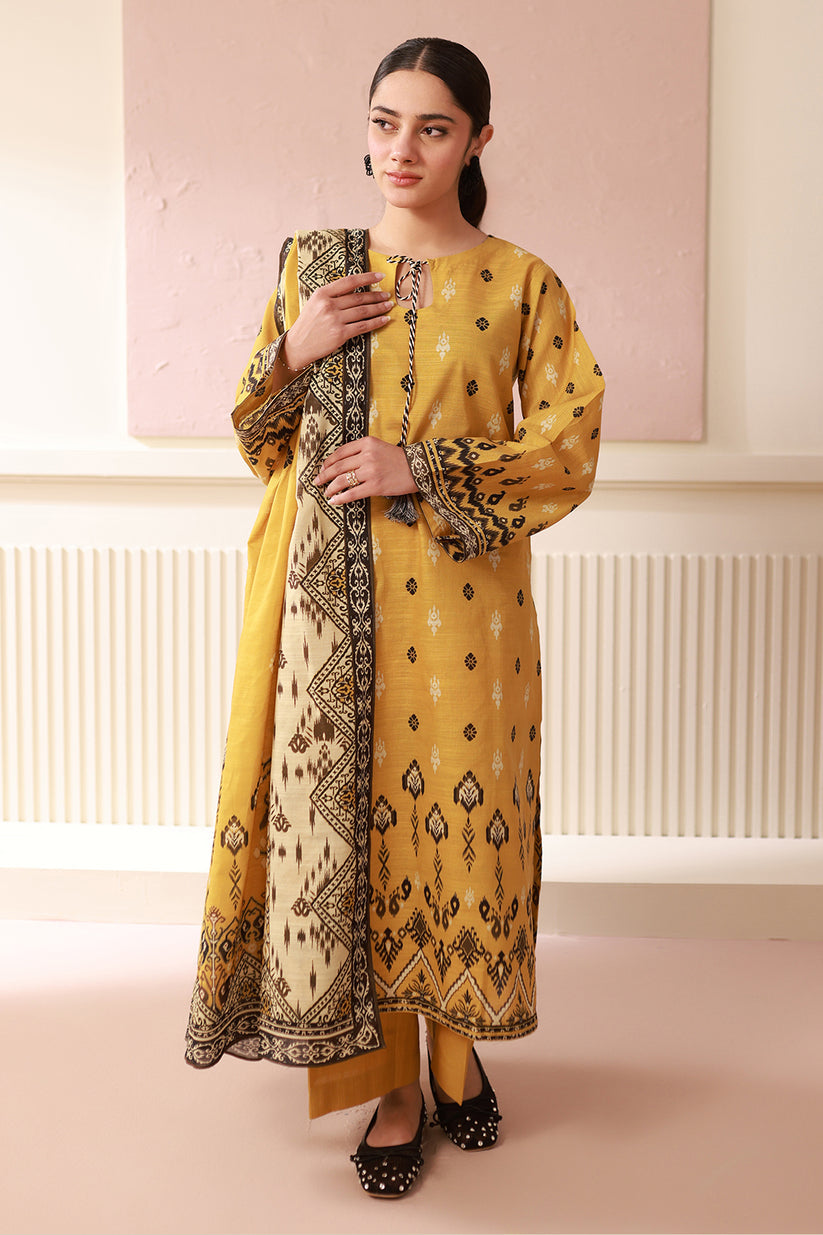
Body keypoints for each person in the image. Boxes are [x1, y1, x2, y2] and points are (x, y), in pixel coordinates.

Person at [184, 36, 604, 1197]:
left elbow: (566, 449)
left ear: (475, 139)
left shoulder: (523, 282)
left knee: (459, 825)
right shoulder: (315, 266)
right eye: (382, 122)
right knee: (348, 831)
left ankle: (459, 1061)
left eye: (429, 126)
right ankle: (394, 1086)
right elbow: (262, 444)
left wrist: (419, 465)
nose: (400, 150)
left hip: (469, 618)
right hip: (324, 613)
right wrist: (296, 347)